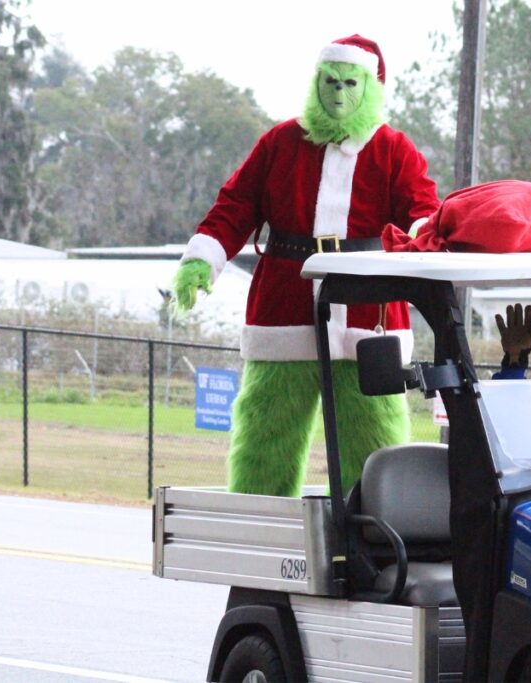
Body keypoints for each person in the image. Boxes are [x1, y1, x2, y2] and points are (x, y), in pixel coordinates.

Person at [171, 35, 439, 496]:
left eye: (349, 83)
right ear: (317, 83)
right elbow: (234, 206)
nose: (338, 93)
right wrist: (202, 259)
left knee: (374, 438)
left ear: (369, 87)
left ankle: (377, 536)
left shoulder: (394, 149)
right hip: (284, 306)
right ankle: (259, 521)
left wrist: (429, 246)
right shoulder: (280, 142)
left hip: (366, 313)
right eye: (330, 82)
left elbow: (422, 213)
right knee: (267, 428)